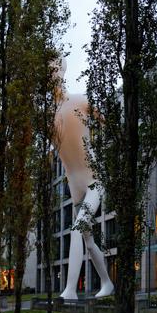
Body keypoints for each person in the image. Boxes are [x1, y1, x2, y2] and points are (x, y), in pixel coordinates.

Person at [54, 57, 114, 299]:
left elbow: (110, 124)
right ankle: (107, 283)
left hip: (94, 182)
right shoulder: (50, 120)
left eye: (54, 71)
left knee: (77, 230)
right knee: (88, 242)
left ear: (61, 72)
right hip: (75, 188)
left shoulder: (80, 102)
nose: (51, 78)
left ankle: (69, 291)